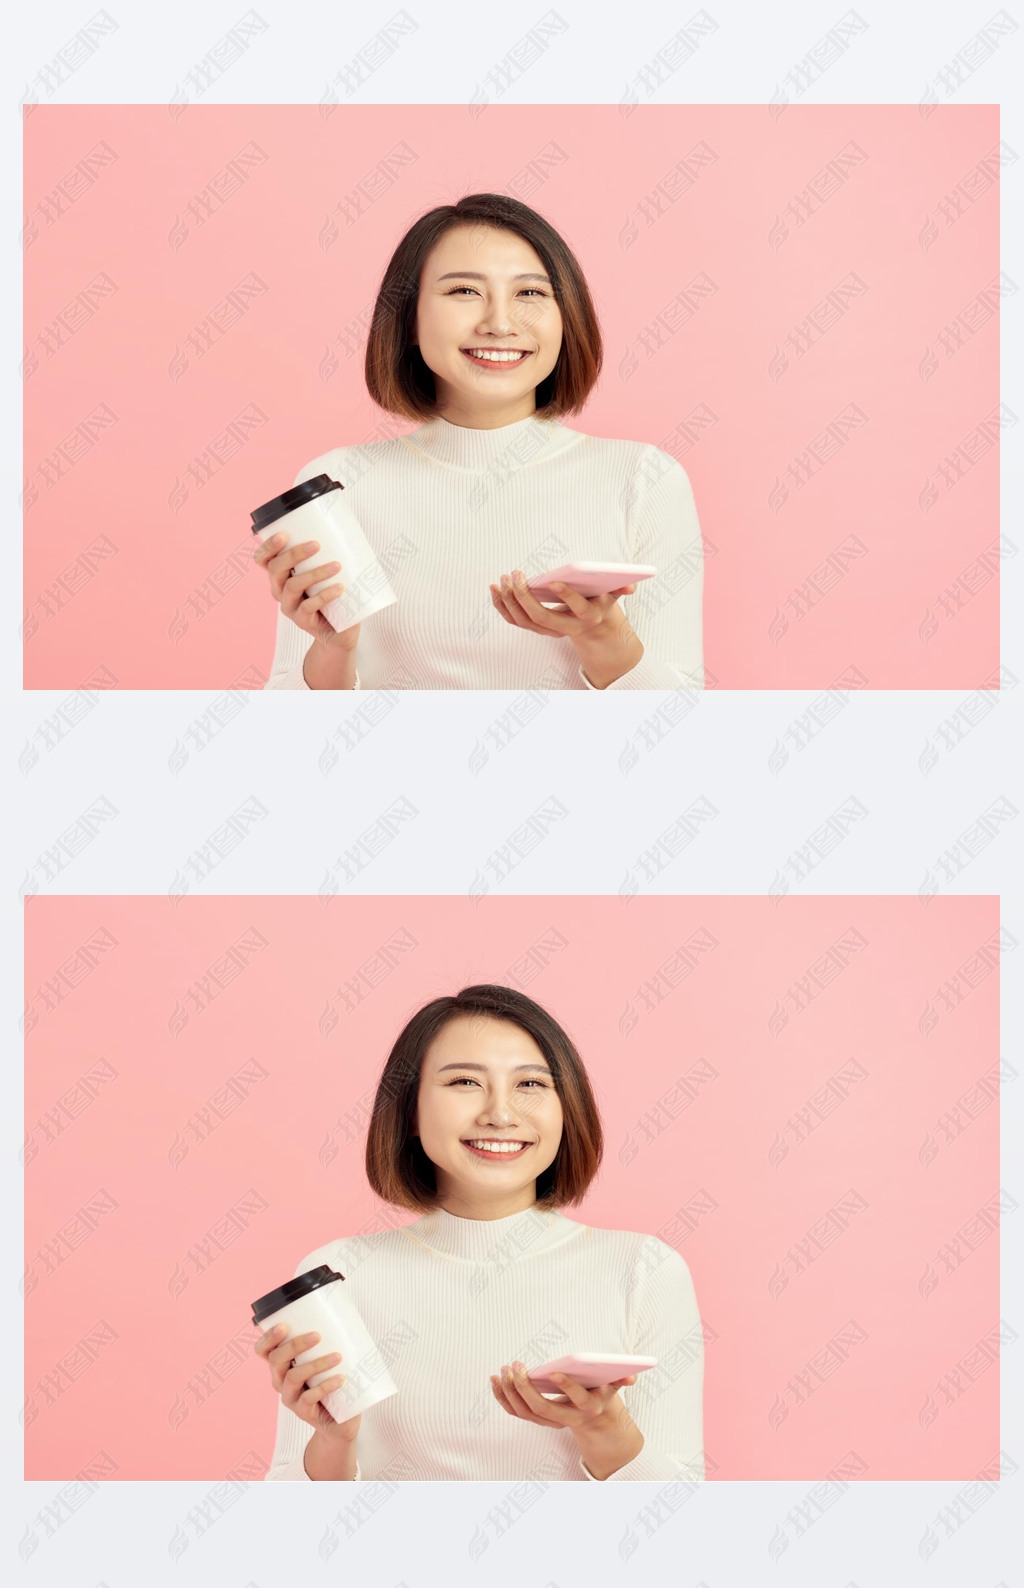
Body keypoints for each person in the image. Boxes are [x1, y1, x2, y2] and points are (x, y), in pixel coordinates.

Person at [255, 192, 704, 690]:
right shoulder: (337, 487)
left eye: (531, 294)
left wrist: (604, 637)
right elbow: (289, 737)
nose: (500, 323)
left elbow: (682, 727)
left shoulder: (643, 479)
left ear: (566, 316)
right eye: (464, 291)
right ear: (408, 320)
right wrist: (332, 649)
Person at [256, 985, 705, 1481]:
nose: (501, 1113)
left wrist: (605, 1427)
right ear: (409, 1111)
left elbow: (682, 1517)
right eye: (465, 1082)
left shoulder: (643, 1270)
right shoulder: (338, 1278)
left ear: (566, 1107)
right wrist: (332, 1440)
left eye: (531, 1085)